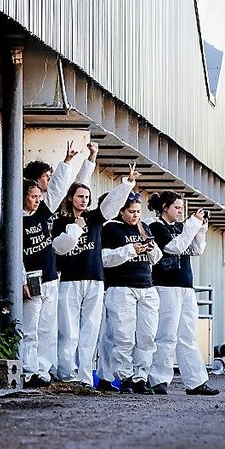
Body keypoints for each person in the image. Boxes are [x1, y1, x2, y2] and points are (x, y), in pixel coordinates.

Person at [51, 164, 138, 387]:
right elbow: (60, 248)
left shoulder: (95, 218)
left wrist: (127, 184)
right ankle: (67, 374)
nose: (84, 200)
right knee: (68, 330)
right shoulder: (61, 222)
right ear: (71, 198)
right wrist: (75, 227)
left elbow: (111, 205)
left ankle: (85, 377)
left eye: (87, 197)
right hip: (70, 280)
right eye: (80, 196)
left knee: (90, 330)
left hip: (95, 279)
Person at [20, 142, 97, 387]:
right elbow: (15, 253)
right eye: (32, 196)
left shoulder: (44, 211)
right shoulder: (16, 220)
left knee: (48, 327)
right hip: (32, 275)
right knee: (30, 326)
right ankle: (29, 370)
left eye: (37, 197)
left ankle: (43, 369)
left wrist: (68, 162)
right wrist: (21, 278)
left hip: (52, 275)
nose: (36, 200)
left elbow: (61, 189)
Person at [146, 191, 218, 395]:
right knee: (166, 334)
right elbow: (175, 247)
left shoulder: (181, 227)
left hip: (186, 286)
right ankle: (159, 379)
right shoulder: (155, 227)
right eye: (177, 207)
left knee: (187, 334)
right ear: (165, 208)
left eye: (181, 208)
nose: (180, 212)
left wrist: (201, 228)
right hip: (165, 286)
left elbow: (196, 249)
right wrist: (192, 225)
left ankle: (195, 382)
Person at [99, 192, 163, 394]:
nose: (135, 216)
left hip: (146, 285)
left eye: (138, 211)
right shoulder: (111, 228)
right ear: (121, 211)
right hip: (121, 286)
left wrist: (150, 248)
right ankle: (124, 377)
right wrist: (130, 250)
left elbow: (157, 258)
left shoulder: (144, 227)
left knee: (147, 335)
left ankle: (141, 378)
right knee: (124, 336)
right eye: (131, 212)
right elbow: (105, 258)